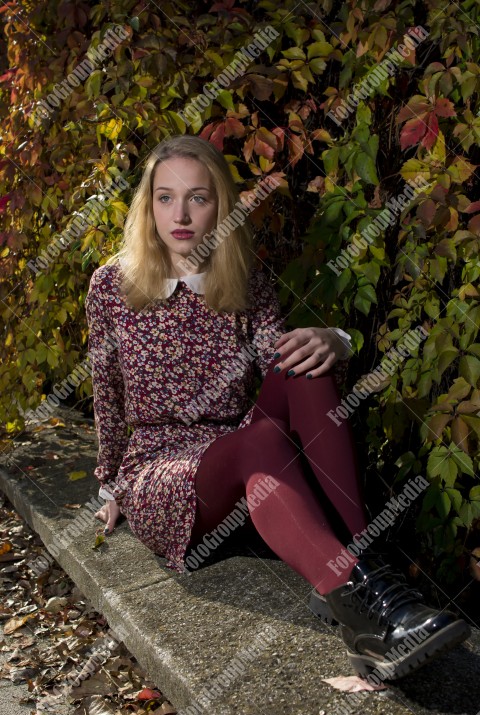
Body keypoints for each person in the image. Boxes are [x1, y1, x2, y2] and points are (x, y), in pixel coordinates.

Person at [85, 134, 470, 683]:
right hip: (163, 467)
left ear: (219, 204)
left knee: (302, 364)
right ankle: (369, 603)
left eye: (199, 197)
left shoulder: (244, 280)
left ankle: (363, 571)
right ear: (148, 205)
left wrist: (337, 338)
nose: (182, 214)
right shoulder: (111, 286)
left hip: (242, 443)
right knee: (261, 441)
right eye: (165, 197)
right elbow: (107, 393)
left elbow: (280, 366)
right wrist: (111, 484)